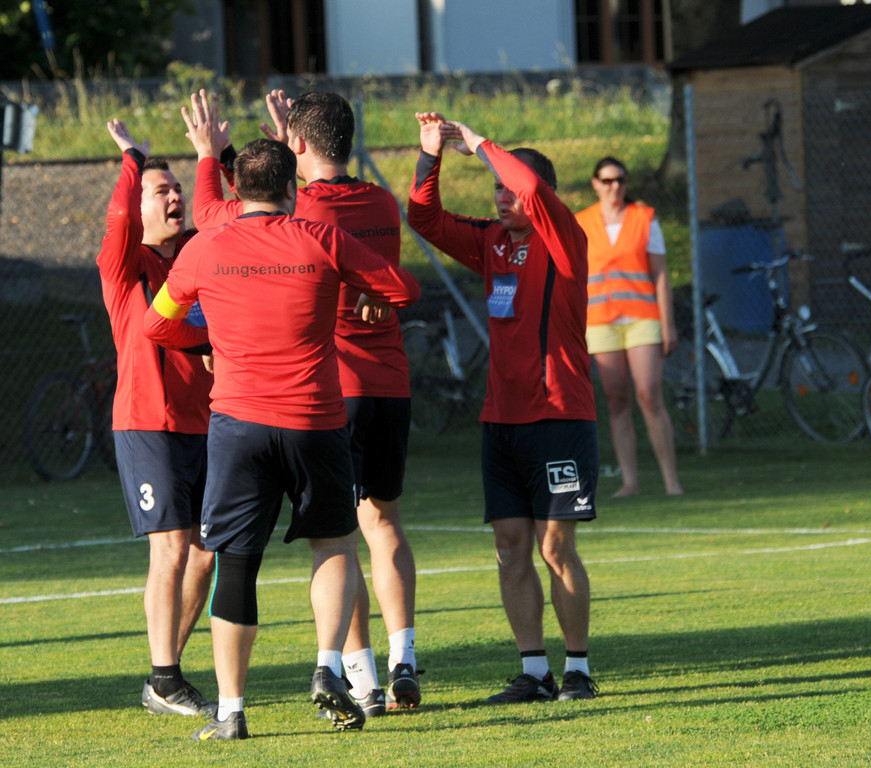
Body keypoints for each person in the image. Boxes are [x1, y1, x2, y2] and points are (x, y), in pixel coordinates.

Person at [143, 137, 421, 741]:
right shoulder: (321, 238)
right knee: (335, 545)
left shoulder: (204, 246)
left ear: (237, 190)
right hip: (315, 420)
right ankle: (326, 667)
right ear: (293, 188)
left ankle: (232, 712)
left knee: (236, 564)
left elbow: (157, 323)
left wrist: (209, 341)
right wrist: (369, 296)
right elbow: (405, 289)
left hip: (237, 425)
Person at [407, 113, 599, 702]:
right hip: (501, 421)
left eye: (508, 188)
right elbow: (424, 219)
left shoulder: (563, 237)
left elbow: (533, 186)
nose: (502, 197)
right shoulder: (492, 241)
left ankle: (578, 670)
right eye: (496, 189)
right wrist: (431, 156)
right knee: (510, 547)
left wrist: (478, 143)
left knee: (555, 547)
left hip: (558, 415)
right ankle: (534, 671)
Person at [97, 119, 215, 718]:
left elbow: (240, 219)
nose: (174, 197)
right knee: (170, 547)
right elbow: (118, 217)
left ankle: (163, 674)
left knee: (205, 552)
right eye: (160, 190)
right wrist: (131, 160)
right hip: (148, 423)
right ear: (140, 206)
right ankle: (167, 679)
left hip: (206, 422)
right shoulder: (126, 265)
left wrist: (219, 156)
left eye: (177, 188)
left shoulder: (197, 256)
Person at [575, 157, 683, 497]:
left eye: (620, 180)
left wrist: (668, 324)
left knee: (649, 393)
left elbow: (660, 275)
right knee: (616, 398)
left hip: (641, 316)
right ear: (595, 183)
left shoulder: (643, 218)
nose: (615, 187)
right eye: (607, 181)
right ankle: (630, 482)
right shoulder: (582, 222)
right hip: (600, 320)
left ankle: (672, 482)